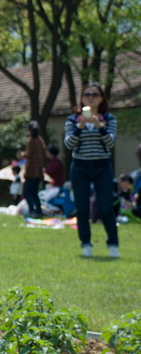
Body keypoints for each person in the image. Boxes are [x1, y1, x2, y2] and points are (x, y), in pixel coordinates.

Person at [64, 83, 118, 258]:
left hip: (103, 168)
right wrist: (80, 128)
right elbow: (69, 144)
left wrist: (99, 126)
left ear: (101, 98)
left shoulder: (109, 119)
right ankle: (86, 244)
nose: (90, 97)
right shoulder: (73, 120)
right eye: (87, 94)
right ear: (82, 98)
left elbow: (111, 143)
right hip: (80, 168)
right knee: (82, 209)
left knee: (105, 208)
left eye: (95, 94)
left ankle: (113, 245)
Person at [22, 122, 46, 217]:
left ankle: (32, 209)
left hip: (31, 171)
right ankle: (38, 210)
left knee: (26, 192)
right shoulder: (40, 140)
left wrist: (23, 154)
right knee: (35, 193)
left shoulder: (30, 140)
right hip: (39, 171)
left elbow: (29, 154)